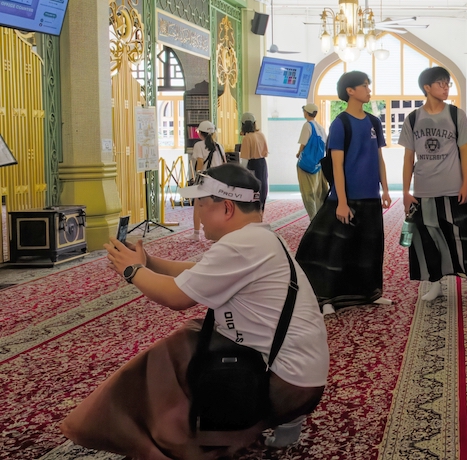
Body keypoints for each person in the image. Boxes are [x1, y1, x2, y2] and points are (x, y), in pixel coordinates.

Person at [61, 164, 329, 458]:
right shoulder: (260, 238)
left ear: (227, 208)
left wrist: (131, 271)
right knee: (199, 334)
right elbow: (198, 272)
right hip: (302, 379)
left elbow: (176, 297)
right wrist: (148, 262)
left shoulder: (241, 245)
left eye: (200, 204)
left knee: (178, 351)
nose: (197, 214)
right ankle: (283, 418)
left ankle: (172, 438)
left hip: (284, 384)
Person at [295, 71, 393, 312]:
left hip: (371, 197)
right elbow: (336, 165)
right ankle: (327, 299)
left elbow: (379, 158)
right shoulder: (340, 123)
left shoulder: (374, 122)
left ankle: (370, 292)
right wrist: (341, 201)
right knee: (336, 250)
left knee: (369, 248)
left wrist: (385, 189)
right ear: (350, 91)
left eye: (368, 85)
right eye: (364, 86)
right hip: (345, 199)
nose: (369, 90)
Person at [400, 67, 467, 303]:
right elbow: (408, 158)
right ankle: (436, 284)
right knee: (430, 238)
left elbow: (465, 152)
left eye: (447, 84)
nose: (446, 88)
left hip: (453, 188)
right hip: (424, 190)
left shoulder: (455, 114)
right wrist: (406, 192)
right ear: (427, 87)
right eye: (441, 84)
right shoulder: (413, 118)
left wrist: (465, 184)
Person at [190, 120, 225, 241]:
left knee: (198, 206)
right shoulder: (219, 146)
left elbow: (200, 162)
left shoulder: (199, 145)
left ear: (200, 133)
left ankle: (196, 234)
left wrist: (196, 177)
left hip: (205, 179)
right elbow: (224, 163)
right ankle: (218, 234)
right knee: (216, 206)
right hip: (218, 179)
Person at [296, 103, 329, 219]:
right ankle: (321, 217)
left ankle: (313, 218)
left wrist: (298, 153)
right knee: (319, 192)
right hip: (317, 164)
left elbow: (303, 144)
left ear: (306, 113)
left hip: (306, 164)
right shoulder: (320, 127)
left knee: (307, 193)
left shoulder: (307, 125)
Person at [240, 112, 270, 212]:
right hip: (262, 163)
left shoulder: (247, 138)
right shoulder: (260, 134)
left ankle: (254, 212)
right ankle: (261, 210)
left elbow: (245, 160)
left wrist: (240, 172)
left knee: (253, 190)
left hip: (252, 165)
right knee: (262, 188)